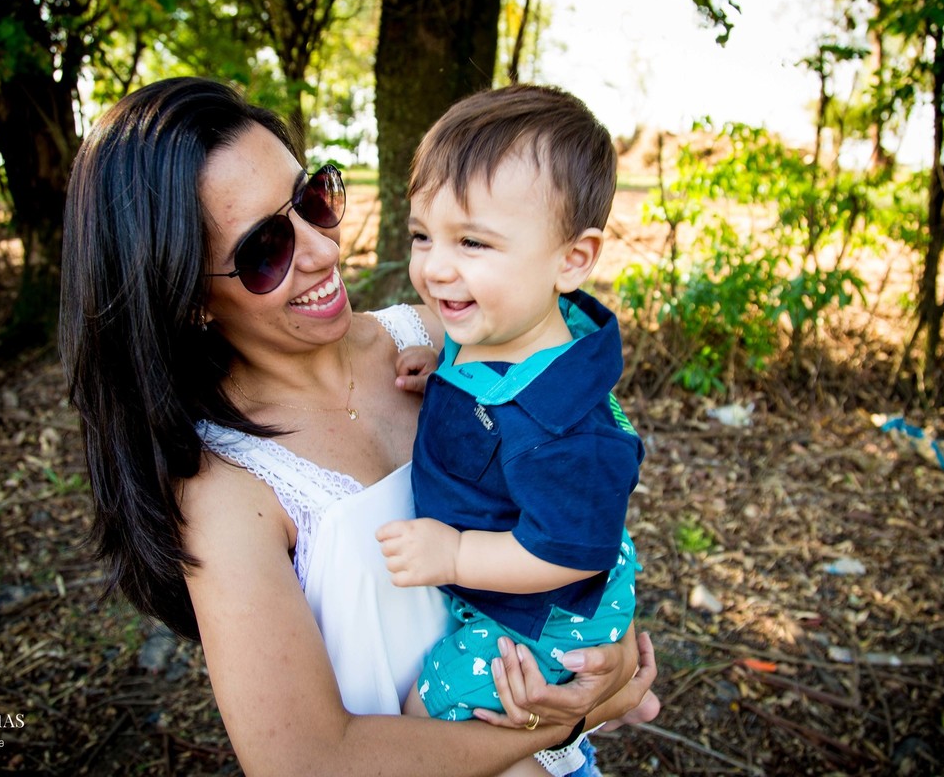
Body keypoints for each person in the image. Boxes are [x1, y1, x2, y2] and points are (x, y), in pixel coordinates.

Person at [58, 76, 657, 776]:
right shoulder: (226, 490)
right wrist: (566, 720)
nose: (322, 249)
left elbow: (574, 495)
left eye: (313, 199)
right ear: (185, 293)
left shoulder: (446, 342)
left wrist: (606, 652)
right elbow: (307, 764)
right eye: (264, 250)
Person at [376, 84, 656, 776]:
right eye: (423, 236)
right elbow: (480, 380)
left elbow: (568, 553)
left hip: (547, 611)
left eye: (472, 241)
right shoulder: (495, 330)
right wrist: (441, 370)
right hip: (524, 589)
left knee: (430, 717)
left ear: (572, 260)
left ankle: (567, 749)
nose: (435, 266)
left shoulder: (572, 429)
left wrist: (455, 556)